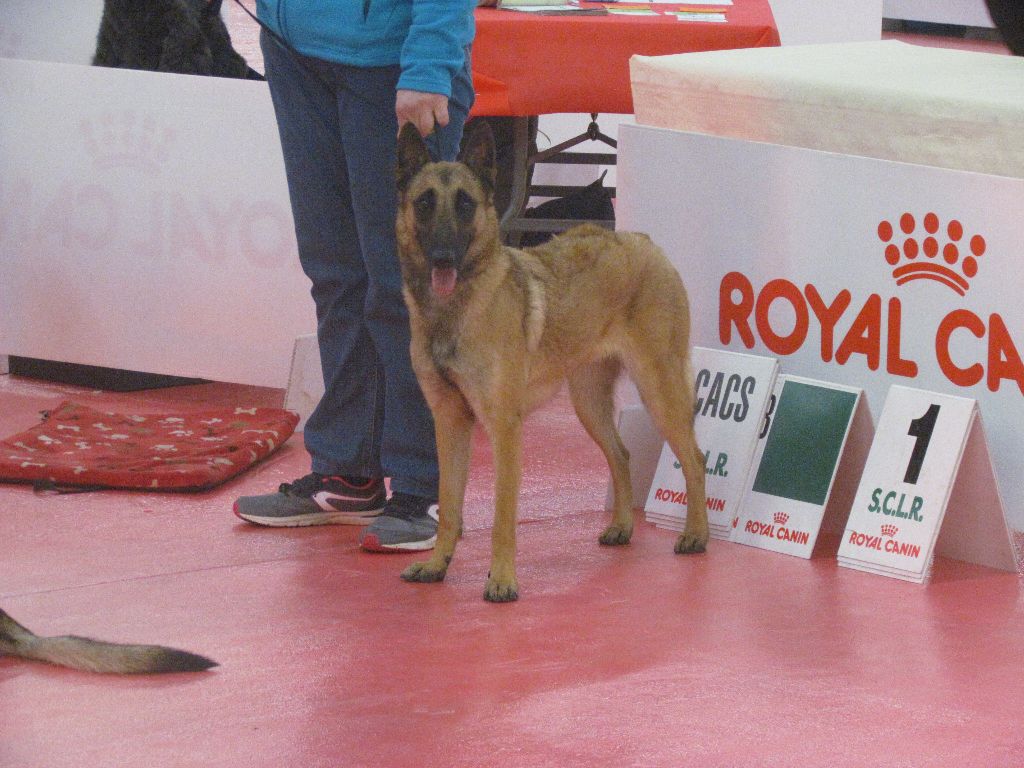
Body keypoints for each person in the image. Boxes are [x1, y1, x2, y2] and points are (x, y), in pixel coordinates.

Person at [234, 0, 477, 553]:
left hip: (392, 61)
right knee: (335, 273)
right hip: (294, 47)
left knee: (405, 287)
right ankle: (347, 473)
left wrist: (430, 64)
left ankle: (427, 487)